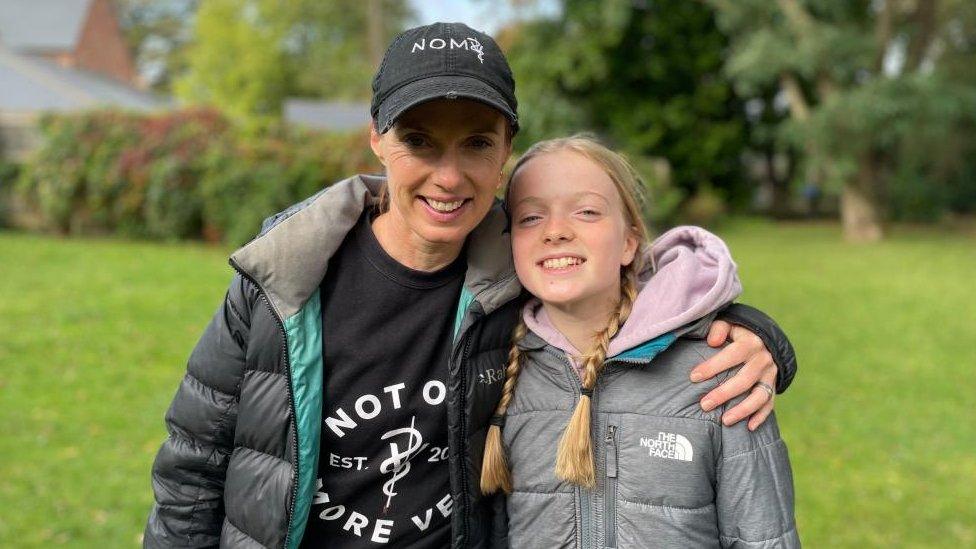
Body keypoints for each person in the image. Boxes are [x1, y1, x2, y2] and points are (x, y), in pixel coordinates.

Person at [143, 22, 797, 548]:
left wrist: (756, 333)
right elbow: (191, 473)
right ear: (376, 138)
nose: (449, 177)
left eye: (477, 144)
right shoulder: (283, 284)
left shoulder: (515, 270)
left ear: (506, 148)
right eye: (421, 142)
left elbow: (633, 284)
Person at [480, 136, 798, 547]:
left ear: (629, 242)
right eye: (530, 218)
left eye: (587, 211)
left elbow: (765, 536)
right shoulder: (496, 371)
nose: (556, 231)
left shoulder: (721, 374)